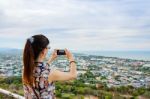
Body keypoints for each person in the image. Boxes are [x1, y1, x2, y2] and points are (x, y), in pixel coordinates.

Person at [22, 34, 77, 99]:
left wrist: (51, 59)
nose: (48, 49)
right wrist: (71, 59)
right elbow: (73, 75)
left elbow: (40, 70)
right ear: (43, 50)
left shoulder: (25, 69)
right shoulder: (51, 73)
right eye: (48, 47)